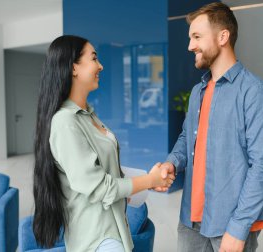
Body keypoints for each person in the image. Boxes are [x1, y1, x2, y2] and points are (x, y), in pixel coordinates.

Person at [33, 35, 175, 252]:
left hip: (114, 228)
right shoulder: (65, 122)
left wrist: (149, 179)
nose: (101, 65)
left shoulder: (88, 115)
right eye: (94, 58)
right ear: (73, 68)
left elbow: (104, 168)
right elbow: (99, 187)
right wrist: (149, 180)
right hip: (97, 238)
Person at [157, 3, 263, 252]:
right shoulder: (197, 92)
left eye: (197, 37)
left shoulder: (255, 92)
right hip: (190, 219)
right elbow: (186, 137)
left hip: (230, 224)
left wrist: (239, 228)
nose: (190, 45)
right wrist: (172, 162)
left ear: (223, 36)